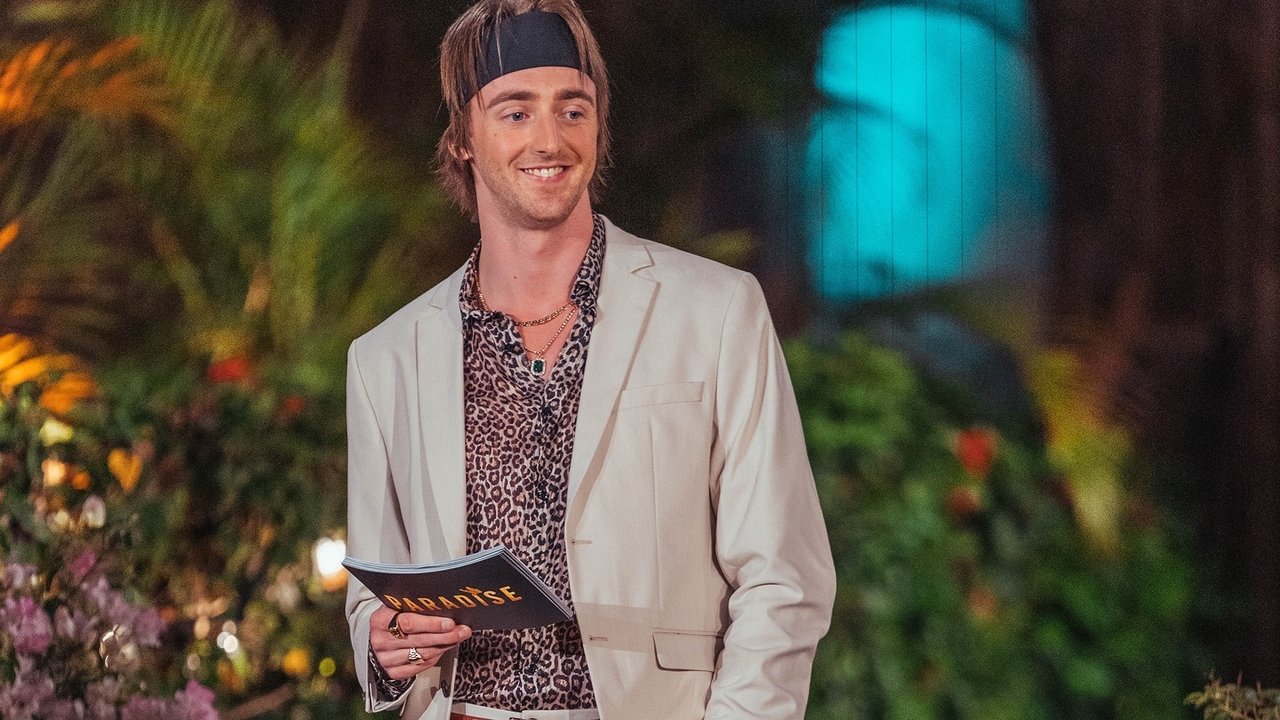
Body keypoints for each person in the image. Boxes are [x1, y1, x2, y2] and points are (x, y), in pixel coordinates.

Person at [344, 1, 836, 718]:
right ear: (463, 139)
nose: (550, 138)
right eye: (516, 112)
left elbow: (784, 579)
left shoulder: (717, 311)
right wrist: (388, 646)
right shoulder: (385, 359)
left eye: (572, 110)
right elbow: (375, 597)